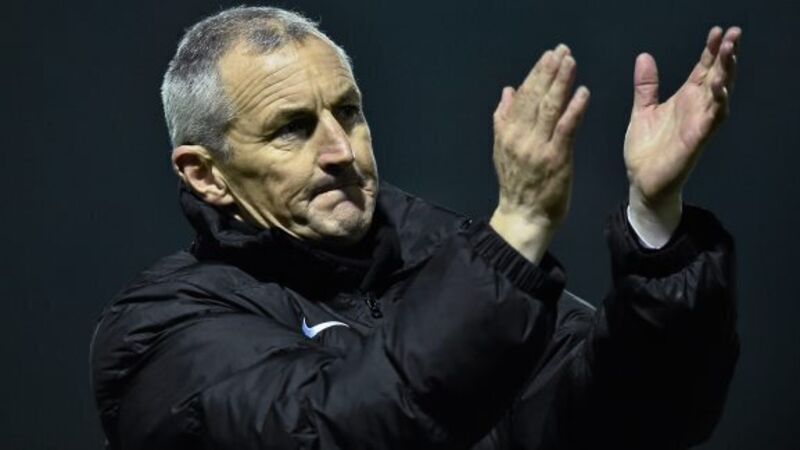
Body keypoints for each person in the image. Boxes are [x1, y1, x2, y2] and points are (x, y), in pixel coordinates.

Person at [90, 6, 741, 450]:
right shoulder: (160, 331)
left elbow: (640, 421)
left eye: (348, 113)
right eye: (292, 128)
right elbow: (338, 429)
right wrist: (517, 228)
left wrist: (656, 223)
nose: (340, 150)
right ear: (205, 174)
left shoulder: (451, 256)